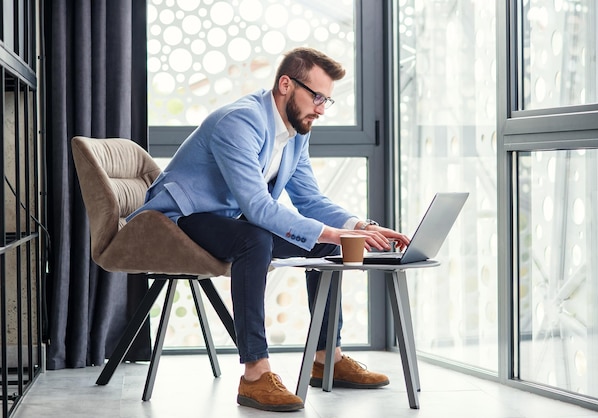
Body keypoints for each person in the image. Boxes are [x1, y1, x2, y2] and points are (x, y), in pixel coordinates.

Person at [129, 47, 410, 412]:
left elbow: (310, 200)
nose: (322, 109)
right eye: (318, 96)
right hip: (177, 220)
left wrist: (359, 227)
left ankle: (327, 357)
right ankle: (255, 375)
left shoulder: (297, 132)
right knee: (255, 238)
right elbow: (257, 207)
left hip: (227, 219)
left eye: (328, 100)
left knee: (322, 246)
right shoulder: (240, 121)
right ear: (285, 84)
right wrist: (332, 232)